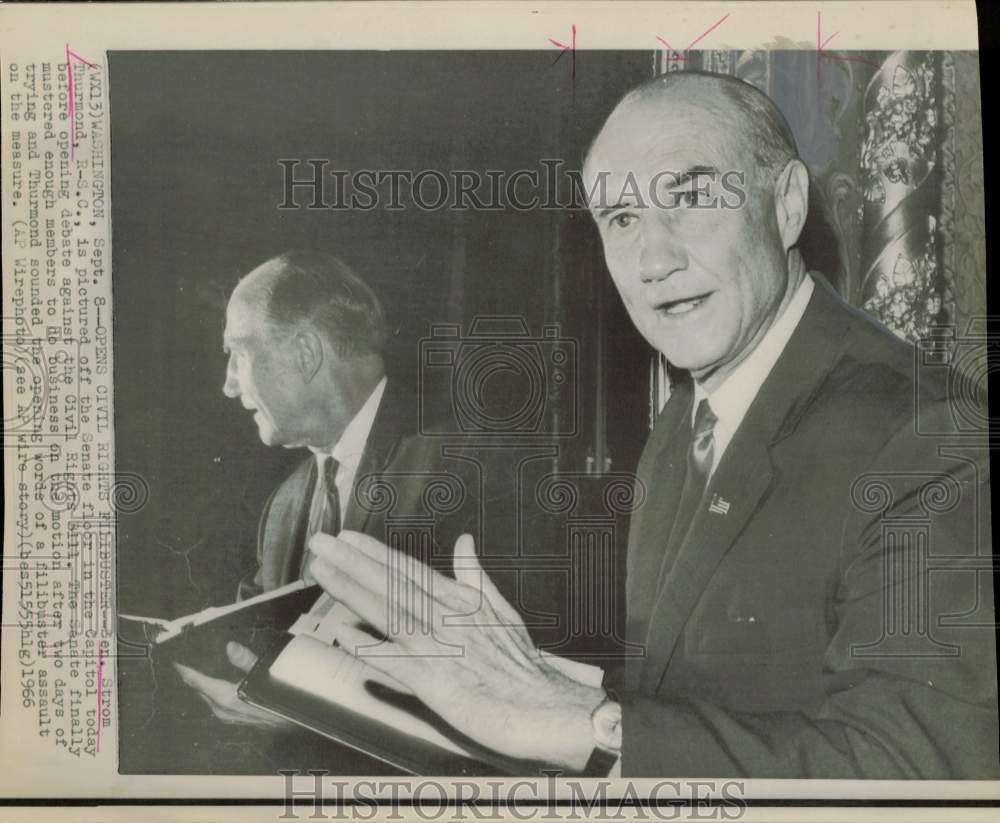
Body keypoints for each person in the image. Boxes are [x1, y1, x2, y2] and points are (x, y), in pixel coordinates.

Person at [304, 71, 998, 778]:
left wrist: (583, 720)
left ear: (787, 206)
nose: (653, 261)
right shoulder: (680, 424)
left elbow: (923, 771)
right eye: (622, 219)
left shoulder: (932, 434)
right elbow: (690, 697)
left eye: (691, 197)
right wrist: (529, 689)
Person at [175, 250, 492, 732]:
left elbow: (499, 686)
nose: (228, 384)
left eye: (238, 354)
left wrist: (301, 719)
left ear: (305, 353)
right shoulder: (282, 507)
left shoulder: (470, 468)